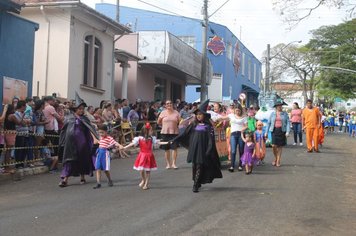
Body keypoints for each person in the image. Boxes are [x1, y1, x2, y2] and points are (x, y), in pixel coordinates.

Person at [171, 100, 222, 193]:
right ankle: (197, 181)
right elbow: (184, 134)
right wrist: (174, 139)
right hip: (194, 149)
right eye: (197, 114)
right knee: (195, 166)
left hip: (203, 150)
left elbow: (211, 140)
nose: (198, 116)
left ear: (204, 115)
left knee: (199, 165)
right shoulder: (194, 125)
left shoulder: (208, 126)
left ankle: (195, 185)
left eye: (200, 114)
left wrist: (209, 150)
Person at [58, 98, 99, 187]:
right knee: (69, 160)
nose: (81, 110)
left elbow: (89, 130)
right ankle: (65, 179)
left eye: (82, 109)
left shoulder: (84, 118)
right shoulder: (69, 118)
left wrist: (95, 139)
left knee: (82, 159)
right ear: (75, 109)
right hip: (70, 143)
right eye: (79, 109)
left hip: (82, 143)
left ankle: (82, 176)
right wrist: (62, 142)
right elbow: (64, 130)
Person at [124, 123, 167, 190]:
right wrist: (125, 147)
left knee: (148, 170)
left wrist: (167, 142)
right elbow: (132, 143)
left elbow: (158, 142)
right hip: (142, 155)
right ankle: (143, 180)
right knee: (141, 170)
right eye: (151, 130)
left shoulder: (152, 138)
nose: (152, 132)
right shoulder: (139, 138)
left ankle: (146, 184)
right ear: (146, 131)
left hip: (149, 155)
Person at [218, 103, 247, 172]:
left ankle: (240, 165)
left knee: (241, 150)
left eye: (239, 111)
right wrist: (214, 117)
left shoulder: (244, 117)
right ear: (234, 110)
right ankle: (232, 166)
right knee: (233, 151)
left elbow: (246, 125)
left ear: (241, 110)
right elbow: (222, 118)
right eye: (236, 110)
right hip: (233, 134)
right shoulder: (231, 116)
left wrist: (243, 129)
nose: (237, 112)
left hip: (241, 134)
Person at [93, 124, 123, 189]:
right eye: (100, 132)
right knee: (98, 168)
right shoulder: (100, 137)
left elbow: (115, 143)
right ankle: (98, 183)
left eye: (102, 132)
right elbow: (99, 142)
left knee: (105, 169)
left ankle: (109, 180)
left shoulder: (109, 138)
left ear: (106, 132)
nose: (101, 134)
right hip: (99, 153)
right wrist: (97, 141)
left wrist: (119, 145)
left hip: (105, 153)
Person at [266, 98, 290, 167]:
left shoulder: (285, 114)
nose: (280, 107)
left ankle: (278, 160)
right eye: (278, 105)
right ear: (276, 106)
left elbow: (288, 123)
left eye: (280, 105)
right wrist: (266, 132)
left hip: (282, 130)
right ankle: (276, 158)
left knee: (279, 146)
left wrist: (287, 132)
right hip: (274, 130)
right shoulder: (272, 114)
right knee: (273, 145)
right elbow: (268, 123)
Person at [157, 100, 180, 169]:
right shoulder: (163, 112)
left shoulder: (176, 113)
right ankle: (168, 164)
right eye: (167, 104)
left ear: (172, 104)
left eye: (170, 103)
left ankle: (173, 163)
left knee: (174, 148)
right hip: (165, 132)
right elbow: (158, 122)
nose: (169, 104)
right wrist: (165, 126)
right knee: (166, 149)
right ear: (165, 105)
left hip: (174, 132)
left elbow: (180, 121)